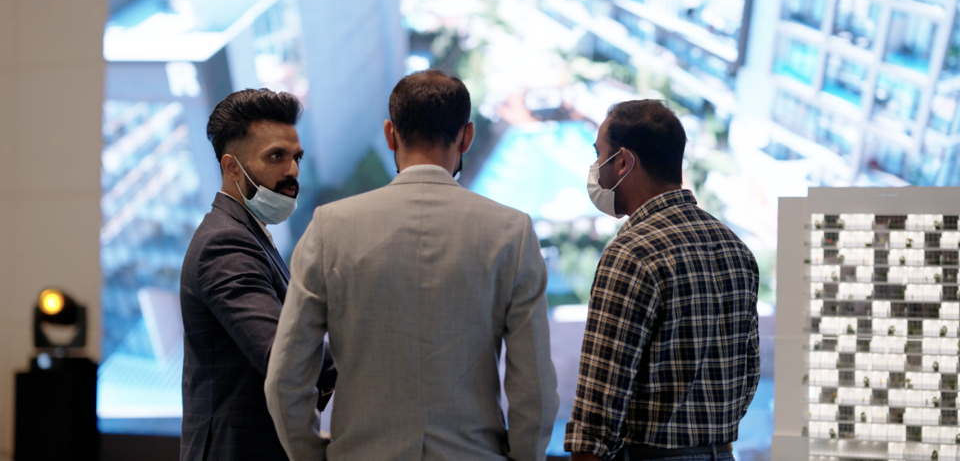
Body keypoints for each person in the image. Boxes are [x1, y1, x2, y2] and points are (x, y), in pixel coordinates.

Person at [264, 70, 559, 461]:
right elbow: (535, 390)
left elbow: (285, 379)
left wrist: (313, 455)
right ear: (467, 136)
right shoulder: (512, 233)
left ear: (390, 134)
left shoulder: (329, 229)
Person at [565, 100, 760, 461]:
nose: (595, 168)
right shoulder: (737, 249)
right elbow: (748, 377)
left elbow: (598, 409)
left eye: (599, 154)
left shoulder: (631, 254)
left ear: (623, 162)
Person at [180, 88, 336, 461]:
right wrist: (367, 357)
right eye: (276, 156)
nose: (292, 171)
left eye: (296, 157)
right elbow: (281, 352)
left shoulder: (246, 233)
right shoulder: (224, 243)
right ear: (231, 167)